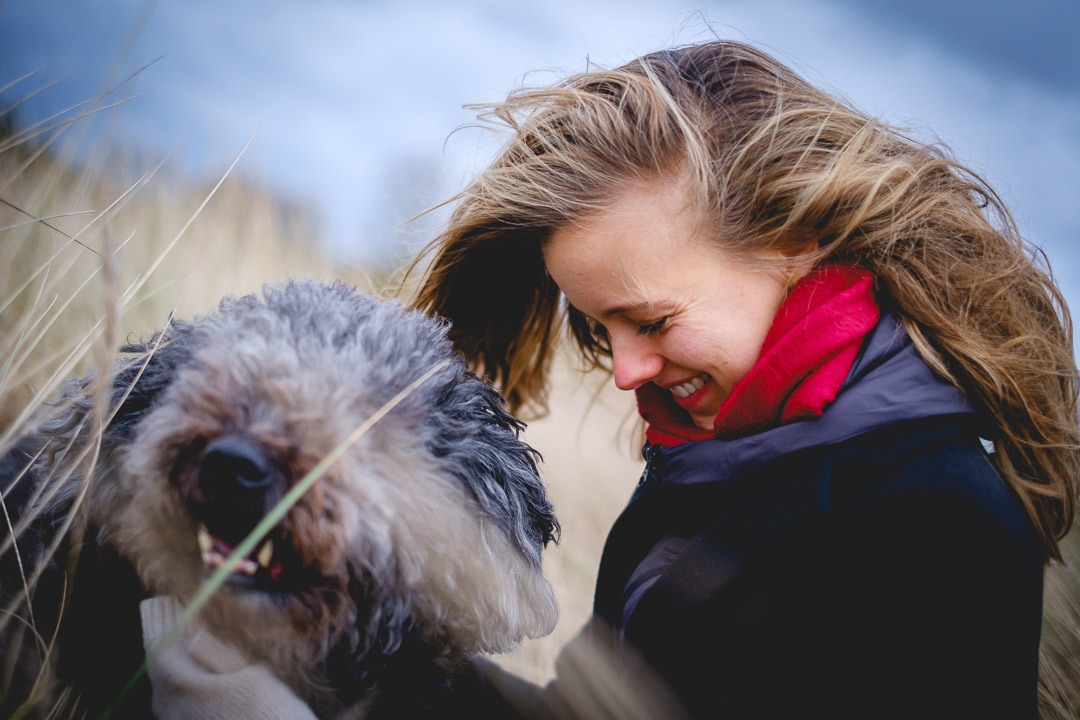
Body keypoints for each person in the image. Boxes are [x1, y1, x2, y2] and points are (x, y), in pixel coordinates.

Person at [142, 39, 1079, 718]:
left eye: (653, 320)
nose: (627, 370)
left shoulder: (932, 524)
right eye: (598, 328)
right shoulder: (720, 452)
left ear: (794, 243)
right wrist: (337, 671)